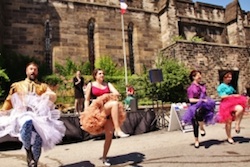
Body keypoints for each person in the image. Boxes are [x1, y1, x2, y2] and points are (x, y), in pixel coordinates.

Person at [0, 62, 66, 167]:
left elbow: (53, 96)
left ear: (37, 72)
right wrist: (3, 111)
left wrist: (48, 95)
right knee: (28, 121)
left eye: (35, 69)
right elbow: (9, 100)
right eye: (31, 69)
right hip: (22, 114)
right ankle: (28, 150)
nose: (33, 71)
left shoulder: (42, 86)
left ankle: (34, 162)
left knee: (38, 139)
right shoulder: (17, 85)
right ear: (26, 71)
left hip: (38, 117)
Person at [79, 68, 129, 166]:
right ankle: (118, 130)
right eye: (100, 73)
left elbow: (116, 93)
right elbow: (87, 99)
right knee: (114, 104)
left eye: (103, 73)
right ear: (95, 76)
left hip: (109, 111)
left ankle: (104, 157)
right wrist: (86, 111)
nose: (102, 75)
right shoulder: (91, 85)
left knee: (109, 136)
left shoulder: (108, 84)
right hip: (99, 109)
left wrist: (108, 95)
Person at [182, 70, 216, 148]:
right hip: (194, 106)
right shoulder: (191, 88)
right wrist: (200, 100)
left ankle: (202, 127)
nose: (199, 76)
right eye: (198, 75)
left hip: (203, 105)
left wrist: (205, 99)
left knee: (199, 112)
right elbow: (191, 100)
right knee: (195, 123)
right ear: (193, 77)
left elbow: (205, 95)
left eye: (200, 75)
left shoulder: (202, 86)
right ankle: (196, 140)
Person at [216, 71, 248, 144]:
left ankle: (237, 124)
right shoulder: (221, 86)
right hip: (225, 105)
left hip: (233, 103)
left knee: (240, 108)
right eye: (229, 77)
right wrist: (233, 96)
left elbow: (233, 93)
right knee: (228, 122)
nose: (230, 79)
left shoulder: (230, 86)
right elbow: (222, 96)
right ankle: (229, 137)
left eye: (231, 77)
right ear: (224, 77)